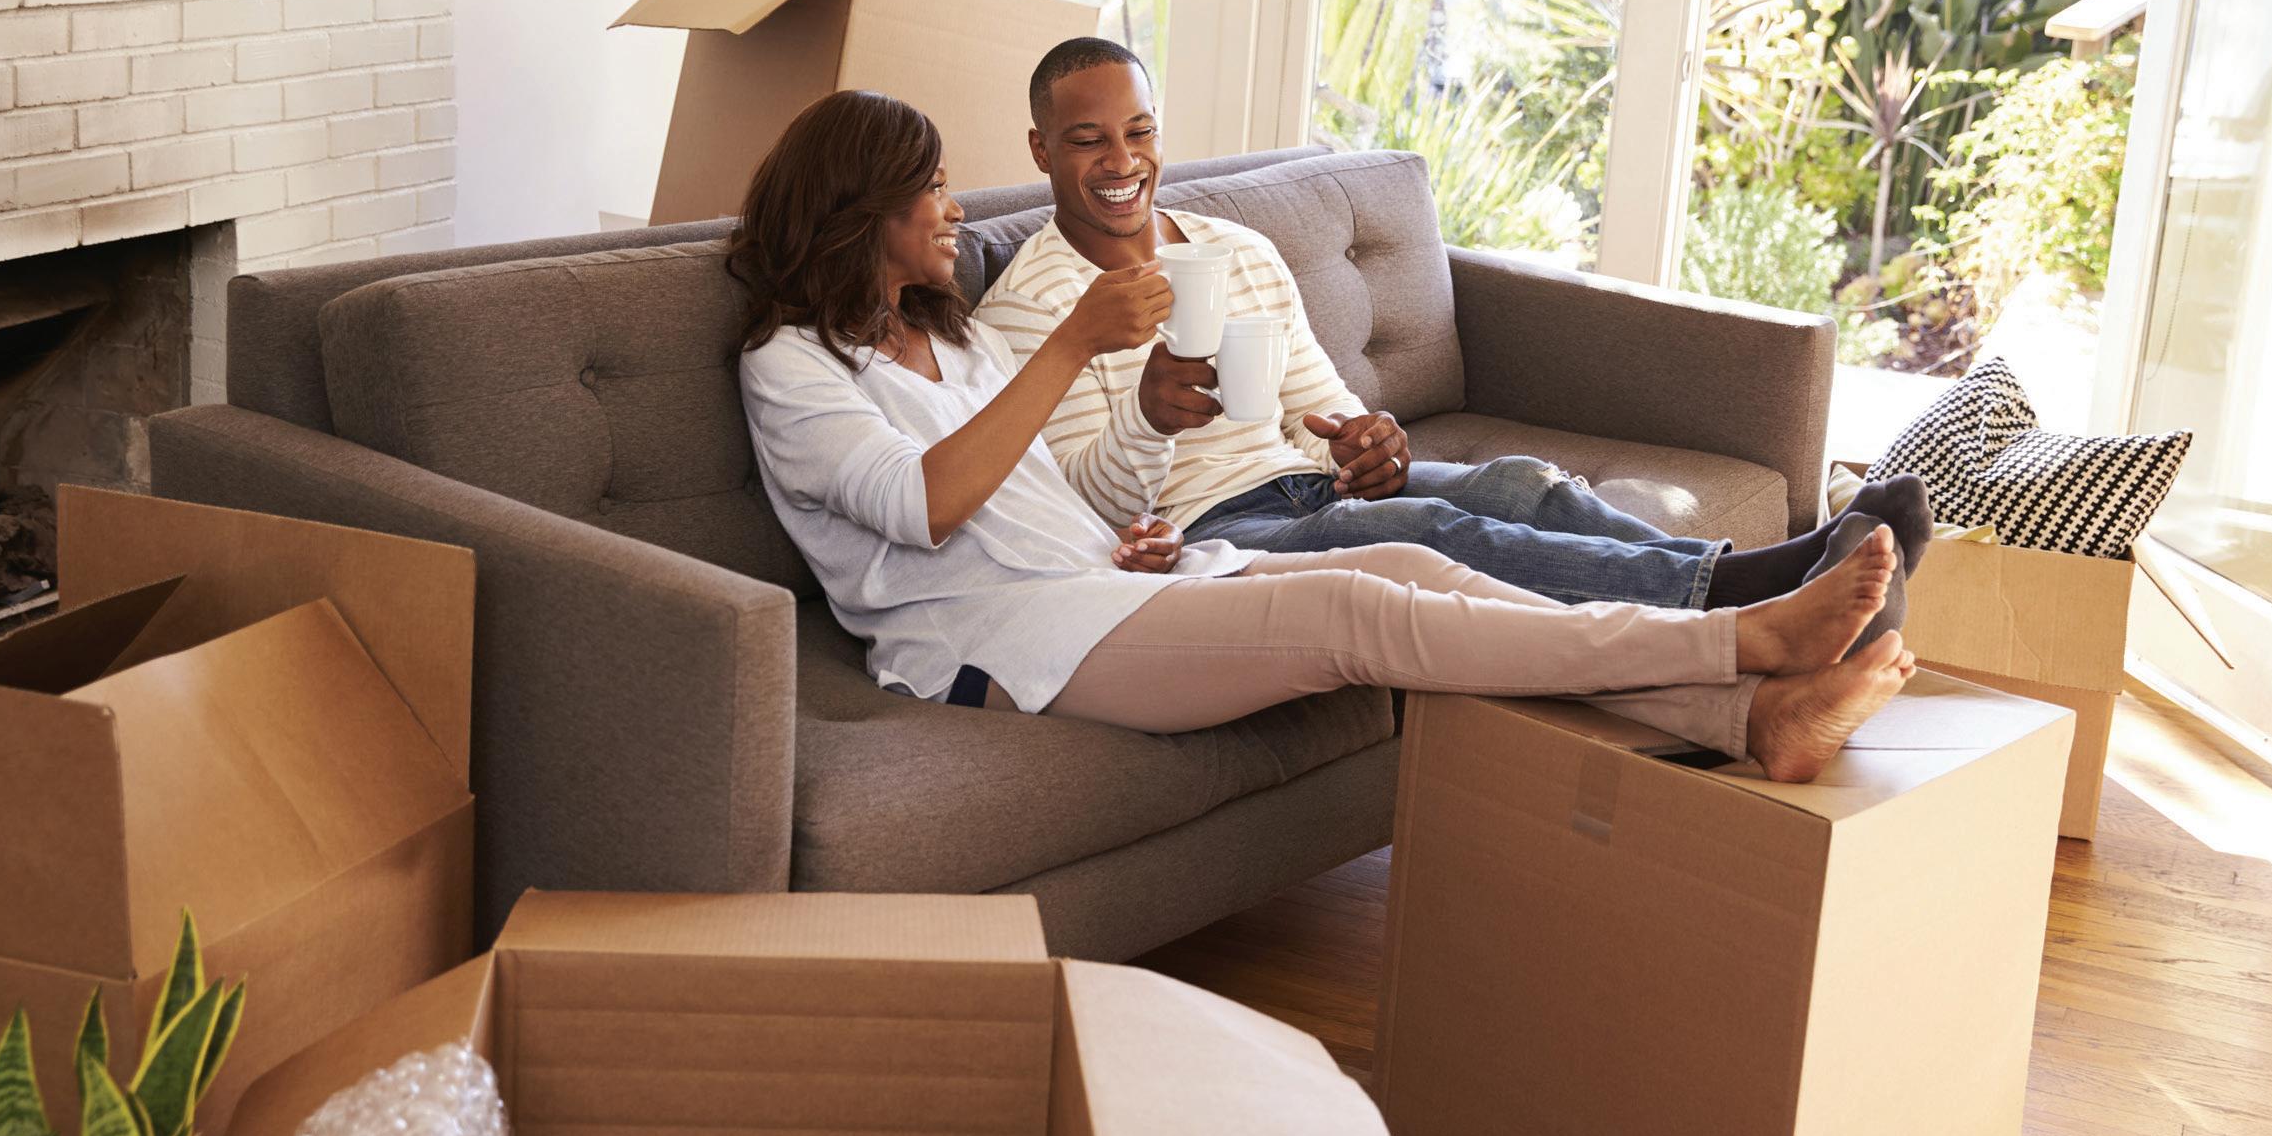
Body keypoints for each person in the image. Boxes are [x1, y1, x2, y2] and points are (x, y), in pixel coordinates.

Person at [730, 88, 1918, 782]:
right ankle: (1735, 637)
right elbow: (925, 504)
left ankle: (1751, 717)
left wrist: (1137, 485)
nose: (953, 208)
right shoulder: (789, 366)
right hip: (997, 642)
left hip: (1103, 584)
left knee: (1408, 562)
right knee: (1357, 611)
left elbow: (1047, 491)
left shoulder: (949, 340)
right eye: (931, 187)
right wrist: (1075, 345)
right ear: (859, 209)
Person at [972, 37, 1935, 630]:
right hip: (1211, 534)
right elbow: (1085, 506)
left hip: (1301, 483)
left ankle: (1760, 577)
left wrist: (1367, 441)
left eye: (1138, 131)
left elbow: (1318, 406)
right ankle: (1754, 593)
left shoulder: (1236, 249)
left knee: (1519, 484)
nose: (1122, 161)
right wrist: (1148, 417)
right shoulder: (1028, 306)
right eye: (1088, 140)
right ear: (1041, 150)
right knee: (1435, 531)